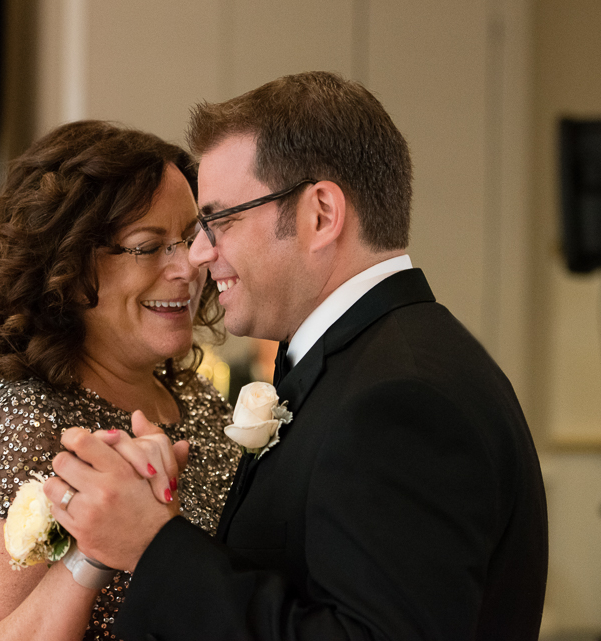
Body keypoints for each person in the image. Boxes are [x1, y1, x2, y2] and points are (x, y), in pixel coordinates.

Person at [45, 72, 549, 640]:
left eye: (219, 220)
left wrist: (154, 547)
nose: (200, 255)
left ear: (320, 214)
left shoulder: (401, 399)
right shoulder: (372, 365)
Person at [0, 120, 238, 641]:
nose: (188, 267)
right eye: (150, 246)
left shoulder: (202, 404)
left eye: (190, 238)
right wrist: (89, 554)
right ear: (70, 267)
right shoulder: (20, 422)